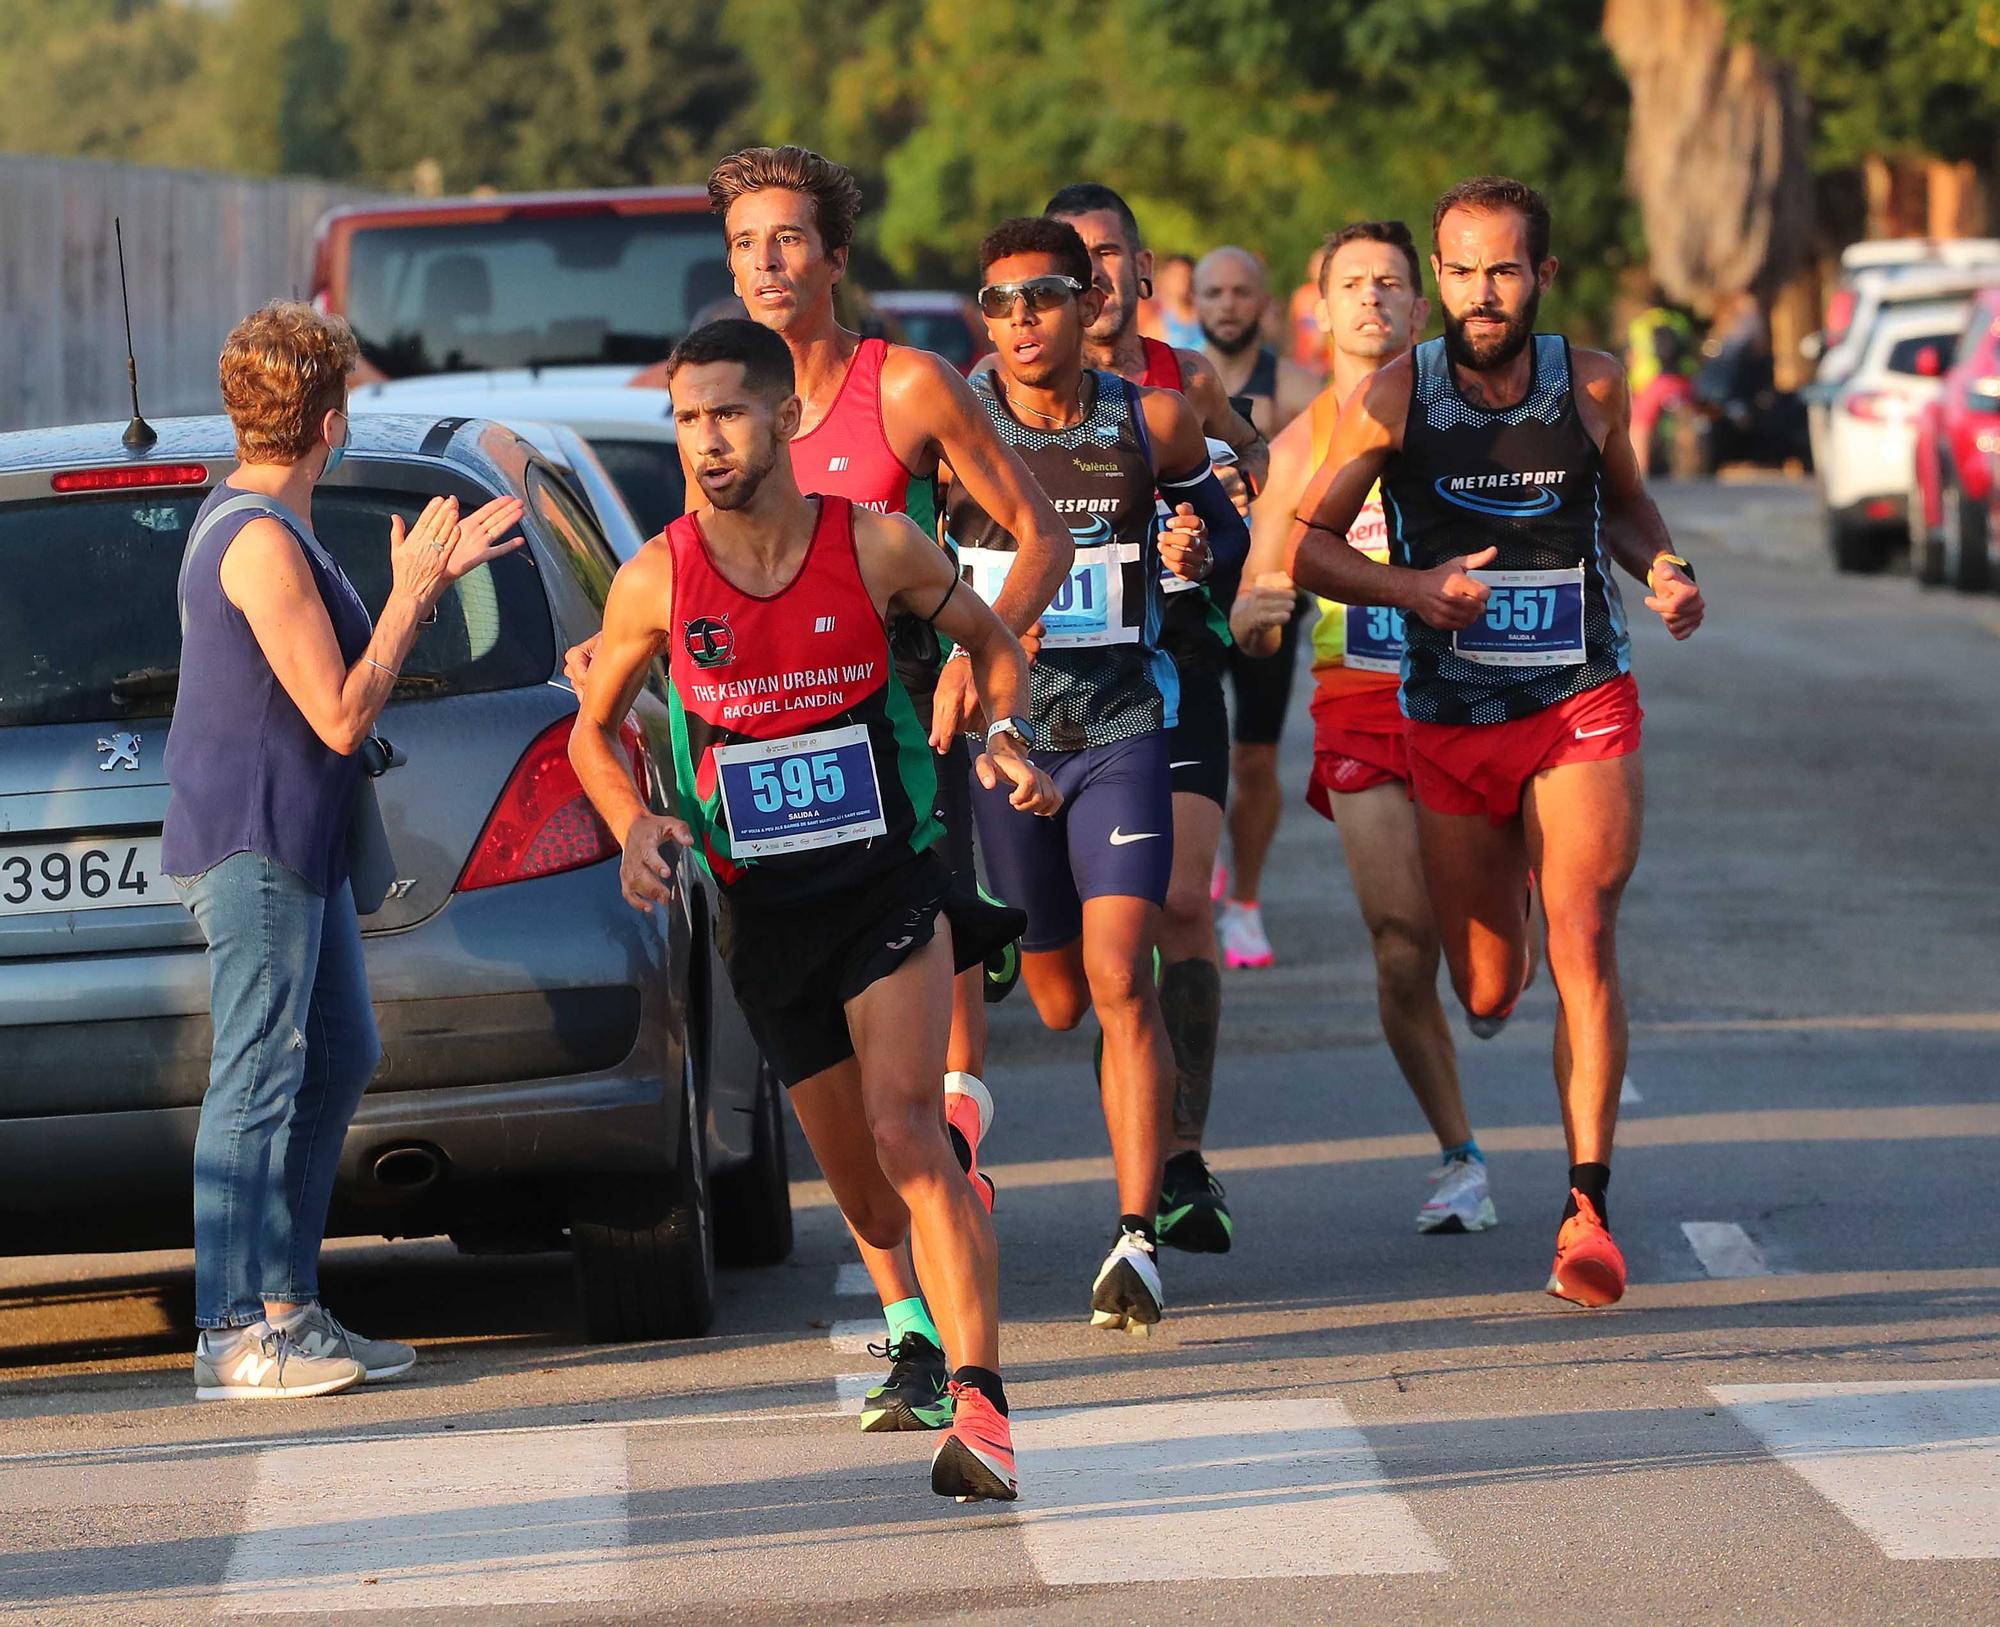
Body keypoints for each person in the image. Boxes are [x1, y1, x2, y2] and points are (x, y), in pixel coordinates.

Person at [614, 145, 1074, 1435]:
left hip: (910, 764)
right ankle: (911, 1324)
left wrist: (980, 682)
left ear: (833, 256)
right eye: (746, 242)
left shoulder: (909, 387)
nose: (767, 262)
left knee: (915, 1100)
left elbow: (1035, 535)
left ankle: (960, 1330)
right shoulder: (723, 410)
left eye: (789, 239)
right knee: (864, 1125)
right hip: (772, 800)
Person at [1286, 178, 1705, 1307]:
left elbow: (1624, 509)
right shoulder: (1392, 396)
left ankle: (1585, 1208)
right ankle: (1505, 911)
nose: (1482, 294)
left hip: (1579, 696)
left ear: (1540, 277)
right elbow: (1309, 550)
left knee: (1585, 937)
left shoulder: (1592, 384)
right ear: (1440, 280)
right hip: (1450, 714)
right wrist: (1415, 587)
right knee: (1486, 983)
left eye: (1504, 270)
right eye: (1461, 272)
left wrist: (1660, 571)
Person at [163, 301, 523, 1399]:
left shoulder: (272, 523)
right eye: (347, 404)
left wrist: (423, 588)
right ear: (329, 423)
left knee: (340, 1052)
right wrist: (416, 594)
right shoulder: (259, 539)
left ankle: (291, 1308)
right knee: (256, 1073)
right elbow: (336, 714)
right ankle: (232, 1331)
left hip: (303, 838)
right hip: (259, 835)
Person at [948, 216, 1248, 1333]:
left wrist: (1198, 551)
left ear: (1087, 306)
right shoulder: (958, 424)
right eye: (998, 302)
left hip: (1125, 728)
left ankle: (1134, 1236)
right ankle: (1011, 954)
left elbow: (1225, 535)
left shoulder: (1149, 420)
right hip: (1007, 739)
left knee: (1122, 976)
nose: (1021, 320)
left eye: (1041, 297)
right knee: (1059, 995)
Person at [1233, 220, 1495, 1234]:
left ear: (1420, 308)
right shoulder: (1300, 448)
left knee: (1485, 974)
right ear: (1321, 306)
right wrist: (1256, 619)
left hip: (1480, 700)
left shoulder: (1473, 419)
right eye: (1352, 284)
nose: (1372, 300)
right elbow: (1260, 601)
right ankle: (1457, 1152)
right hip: (1358, 698)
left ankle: (1497, 943)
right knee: (1397, 948)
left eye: (1390, 283)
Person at [1039, 183, 1266, 1256]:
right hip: (1051, 700)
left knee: (1178, 907)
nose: (1093, 278)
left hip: (1172, 672)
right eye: (1072, 260)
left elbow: (1251, 481)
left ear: (1138, 268)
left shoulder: (1182, 384)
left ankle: (1175, 1158)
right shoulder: (1005, 396)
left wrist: (1214, 548)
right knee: (1074, 973)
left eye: (1110, 256)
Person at [1193, 245, 1321, 970]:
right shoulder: (1171, 382)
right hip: (1189, 591)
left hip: (1270, 587)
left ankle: (1245, 901)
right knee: (1193, 745)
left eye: (1243, 291)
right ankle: (1199, 858)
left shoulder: (1300, 388)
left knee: (1256, 756)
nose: (1229, 305)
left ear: (1265, 303)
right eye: (1214, 292)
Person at [1151, 252, 1205, 350]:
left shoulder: (1208, 319)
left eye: (1187, 275)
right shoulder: (1157, 327)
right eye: (1177, 276)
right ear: (1166, 280)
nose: (1183, 281)